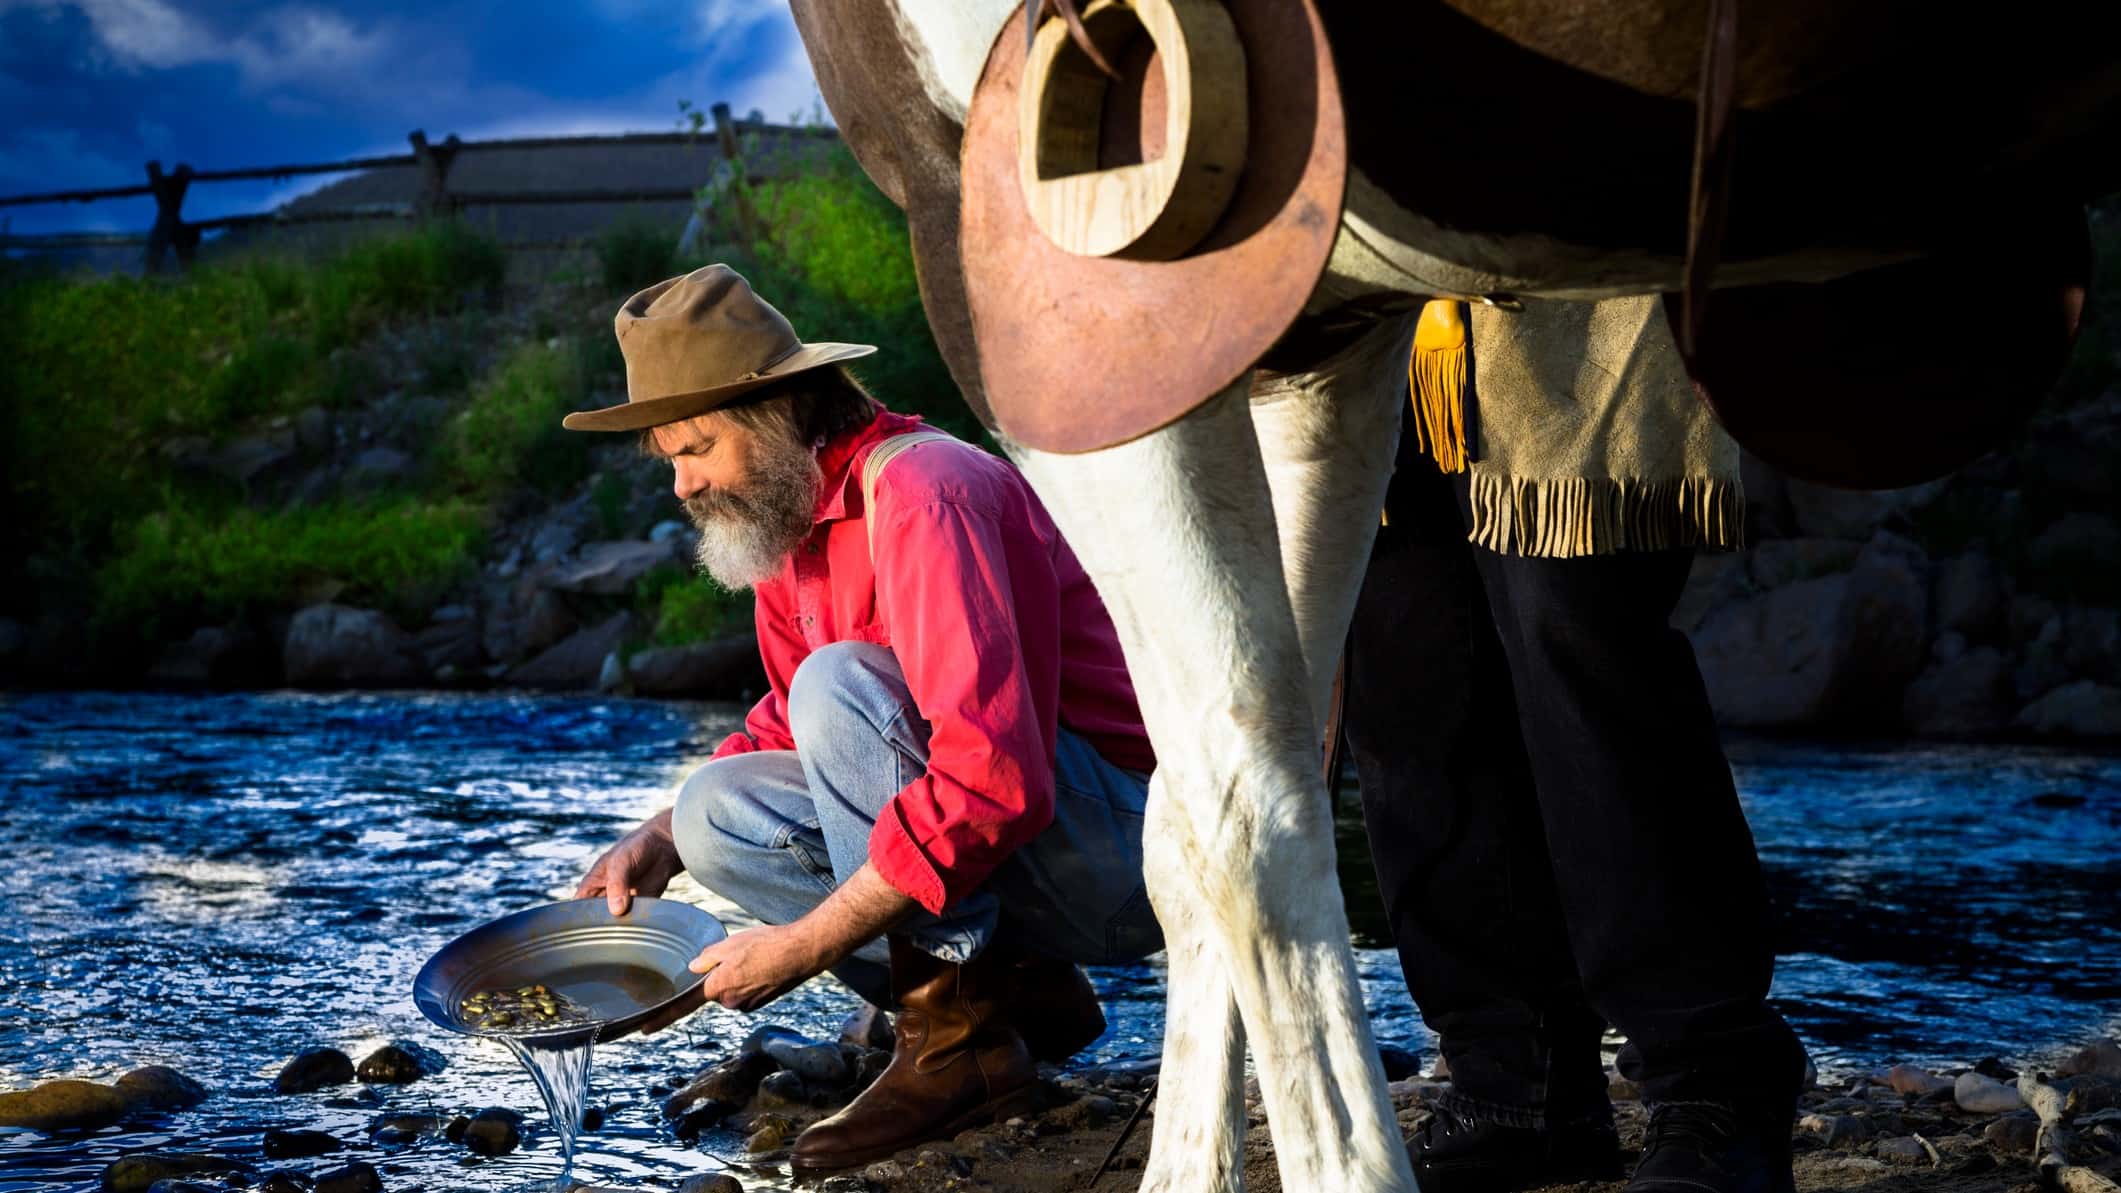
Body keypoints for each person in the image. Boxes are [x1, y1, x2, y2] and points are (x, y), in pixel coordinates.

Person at [562, 265, 1161, 1173]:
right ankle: (1024, 997)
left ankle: (956, 1044)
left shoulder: (925, 492)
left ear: (773, 416)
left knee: (837, 685)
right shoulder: (785, 525)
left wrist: (804, 946)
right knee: (712, 808)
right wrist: (660, 838)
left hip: (1139, 856)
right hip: (1049, 857)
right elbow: (787, 730)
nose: (681, 486)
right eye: (669, 460)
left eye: (695, 449)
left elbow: (993, 783)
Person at [1346, 297, 1809, 1193]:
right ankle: (1514, 1081)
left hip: (1571, 285)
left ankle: (1715, 1075)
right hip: (1367, 310)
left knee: (1576, 634)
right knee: (1404, 668)